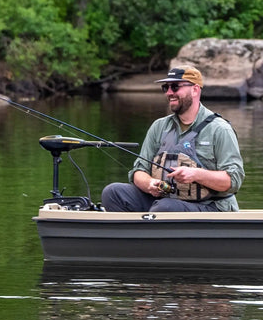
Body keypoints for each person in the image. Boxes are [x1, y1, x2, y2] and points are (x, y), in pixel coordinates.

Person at [101, 66, 244, 212]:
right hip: (165, 202)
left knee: (164, 208)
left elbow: (233, 181)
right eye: (166, 87)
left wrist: (196, 174)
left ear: (195, 90)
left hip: (210, 206)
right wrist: (149, 183)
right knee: (112, 193)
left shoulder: (220, 129)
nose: (169, 93)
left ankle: (148, 230)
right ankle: (135, 233)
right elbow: (138, 171)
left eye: (175, 87)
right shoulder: (159, 126)